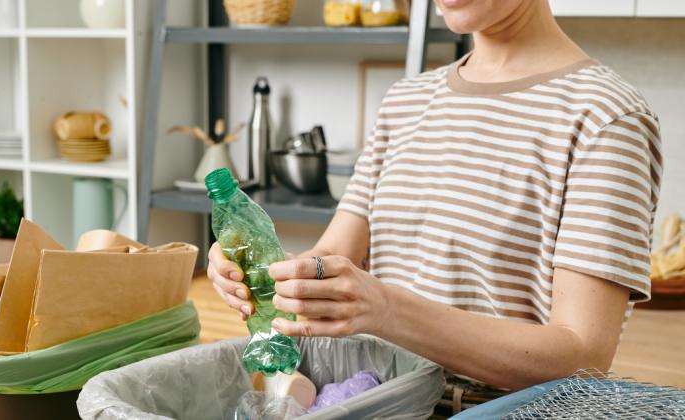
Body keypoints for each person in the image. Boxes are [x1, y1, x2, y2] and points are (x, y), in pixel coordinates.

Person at [208, 0, 661, 391]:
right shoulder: (406, 100)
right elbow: (332, 256)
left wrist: (386, 308)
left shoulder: (606, 118)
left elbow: (580, 356)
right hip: (376, 397)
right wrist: (266, 271)